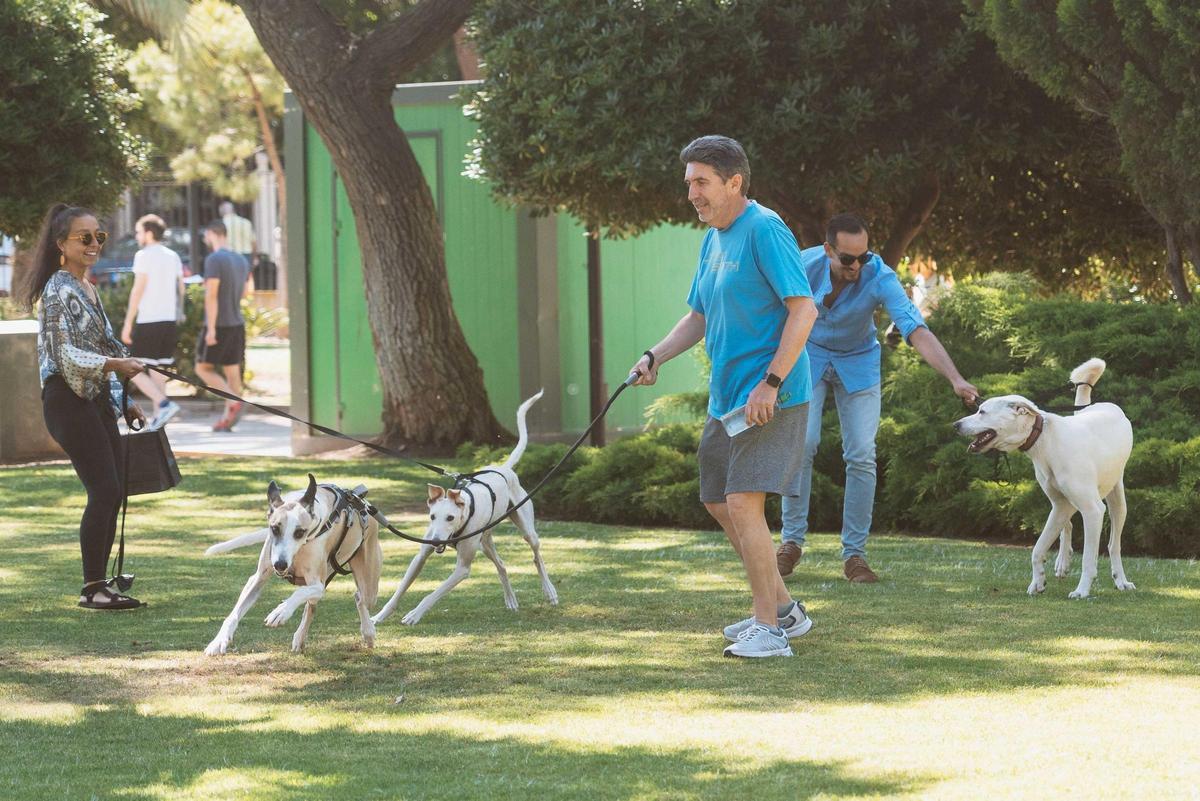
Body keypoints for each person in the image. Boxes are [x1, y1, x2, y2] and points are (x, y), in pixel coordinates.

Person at [629, 136, 819, 659]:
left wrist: (772, 382)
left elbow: (804, 311)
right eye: (689, 183)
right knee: (719, 501)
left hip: (770, 396)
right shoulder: (714, 237)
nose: (691, 193)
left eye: (701, 182)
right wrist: (655, 356)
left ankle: (770, 631)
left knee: (743, 502)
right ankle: (783, 611)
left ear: (734, 182)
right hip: (727, 398)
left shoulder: (765, 229)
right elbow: (698, 315)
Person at [776, 214, 979, 583]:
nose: (857, 266)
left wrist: (956, 379)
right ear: (828, 250)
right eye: (848, 259)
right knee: (801, 443)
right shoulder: (802, 264)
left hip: (859, 361)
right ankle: (790, 543)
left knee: (861, 454)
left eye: (863, 257)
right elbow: (771, 309)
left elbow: (913, 327)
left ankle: (855, 555)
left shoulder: (879, 274)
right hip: (809, 356)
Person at [16, 203, 147, 609]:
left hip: (92, 399)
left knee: (113, 489)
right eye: (84, 238)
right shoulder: (57, 290)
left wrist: (126, 402)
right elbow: (65, 355)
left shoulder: (87, 287)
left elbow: (104, 347)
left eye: (99, 237)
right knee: (104, 488)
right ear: (61, 244)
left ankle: (100, 585)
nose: (94, 244)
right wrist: (115, 364)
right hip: (66, 400)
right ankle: (93, 589)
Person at [120, 214, 183, 430]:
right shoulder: (173, 255)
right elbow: (180, 289)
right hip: (168, 320)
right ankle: (160, 419)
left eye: (138, 232)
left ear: (148, 233)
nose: (137, 236)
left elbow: (138, 290)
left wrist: (128, 322)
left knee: (132, 368)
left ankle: (164, 404)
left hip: (149, 320)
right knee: (158, 370)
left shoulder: (144, 255)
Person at [195, 220, 251, 432]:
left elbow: (211, 295)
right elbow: (247, 292)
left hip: (219, 324)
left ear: (211, 234)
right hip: (237, 323)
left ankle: (233, 401)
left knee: (202, 368)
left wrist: (211, 328)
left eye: (206, 236)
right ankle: (228, 420)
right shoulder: (241, 260)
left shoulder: (214, 259)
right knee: (232, 370)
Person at [219, 201, 256, 265]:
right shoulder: (246, 222)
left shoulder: (222, 224)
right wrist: (254, 256)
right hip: (246, 255)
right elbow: (253, 242)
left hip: (230, 255)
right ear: (233, 210)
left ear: (221, 213)